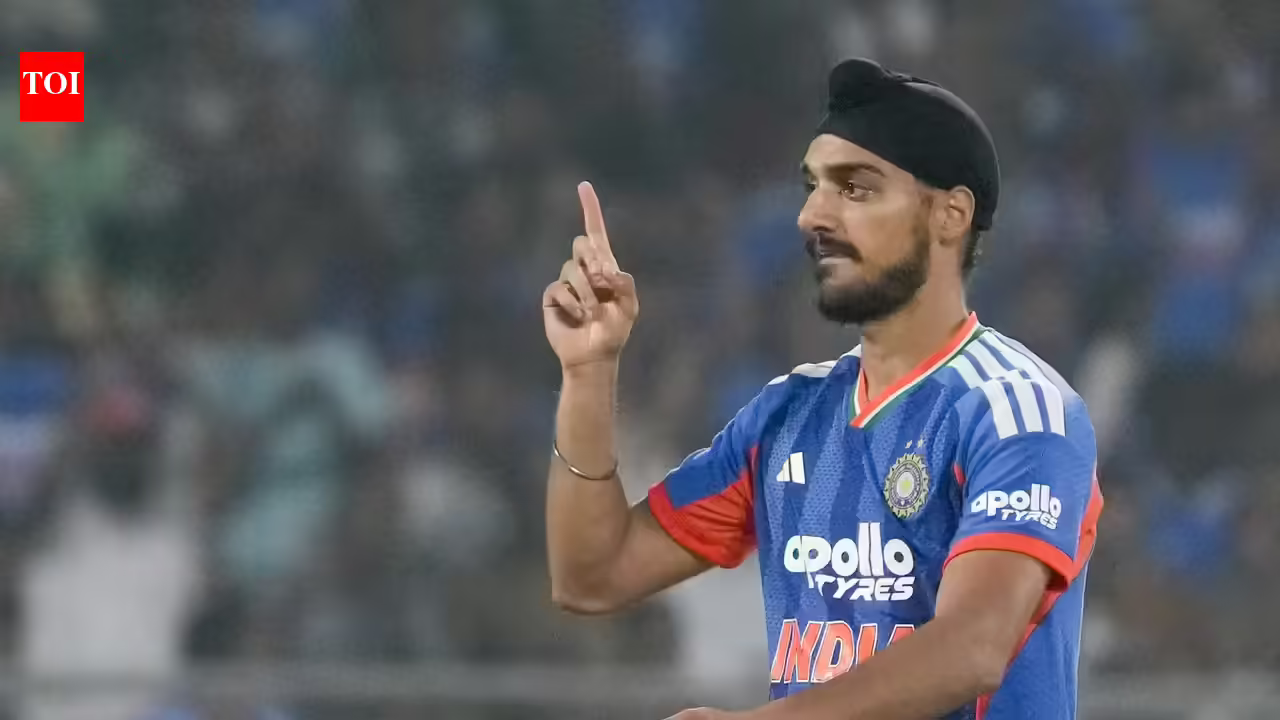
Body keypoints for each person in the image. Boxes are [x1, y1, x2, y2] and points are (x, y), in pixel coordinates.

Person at [541, 58, 1103, 720]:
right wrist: (588, 373)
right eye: (813, 187)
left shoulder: (1017, 410)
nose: (812, 215)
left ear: (950, 215)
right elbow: (593, 575)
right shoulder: (787, 416)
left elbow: (974, 647)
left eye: (855, 188)